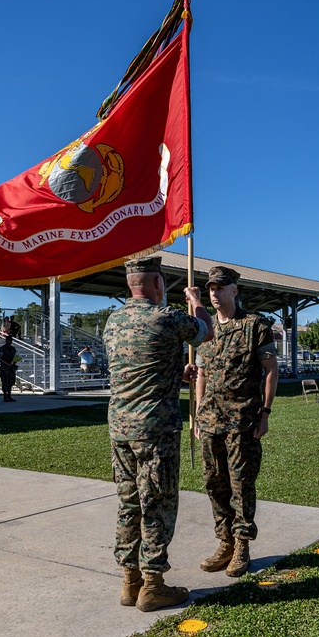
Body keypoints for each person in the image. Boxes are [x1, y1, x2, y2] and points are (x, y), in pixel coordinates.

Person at [103, 256, 213, 612]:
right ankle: (153, 583)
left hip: (120, 427)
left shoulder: (114, 320)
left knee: (128, 500)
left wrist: (172, 373)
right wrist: (197, 303)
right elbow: (204, 331)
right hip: (155, 428)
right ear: (157, 284)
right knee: (158, 502)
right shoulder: (165, 317)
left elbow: (136, 363)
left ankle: (129, 580)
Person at [194, 266, 278, 578]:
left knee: (241, 483)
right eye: (210, 288)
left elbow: (271, 370)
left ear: (234, 290)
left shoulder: (255, 325)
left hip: (243, 420)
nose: (214, 293)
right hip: (211, 421)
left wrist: (265, 413)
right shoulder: (205, 328)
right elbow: (201, 372)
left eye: (220, 287)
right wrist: (198, 413)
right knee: (215, 483)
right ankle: (225, 541)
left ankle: (242, 544)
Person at [0, 335, 18, 402]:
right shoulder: (2, 348)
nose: (10, 341)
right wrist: (7, 364)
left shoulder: (13, 349)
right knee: (5, 382)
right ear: (6, 340)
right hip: (4, 368)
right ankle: (5, 396)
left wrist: (14, 362)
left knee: (10, 382)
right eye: (9, 340)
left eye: (11, 340)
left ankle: (9, 396)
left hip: (11, 368)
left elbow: (14, 357)